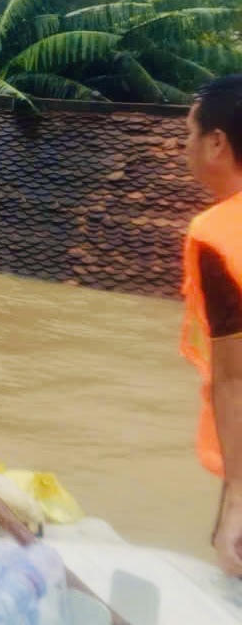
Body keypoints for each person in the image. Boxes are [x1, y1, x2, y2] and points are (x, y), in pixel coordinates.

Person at [181, 74, 242, 575]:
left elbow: (234, 377)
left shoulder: (218, 237)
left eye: (190, 133)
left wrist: (238, 498)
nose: (185, 146)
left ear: (216, 143)